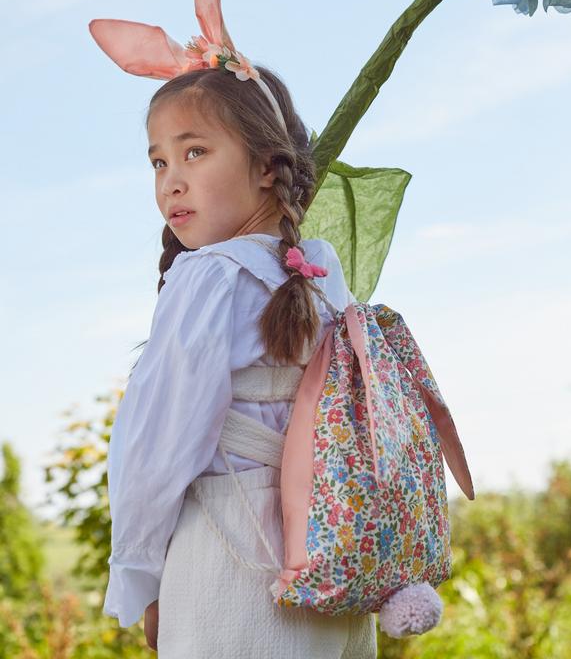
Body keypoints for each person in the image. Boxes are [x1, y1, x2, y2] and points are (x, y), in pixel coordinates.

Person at [101, 61, 379, 657]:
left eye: (194, 152)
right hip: (331, 555)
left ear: (265, 167)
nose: (171, 181)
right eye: (159, 162)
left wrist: (142, 578)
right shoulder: (323, 272)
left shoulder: (207, 277)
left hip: (231, 559)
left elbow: (155, 447)